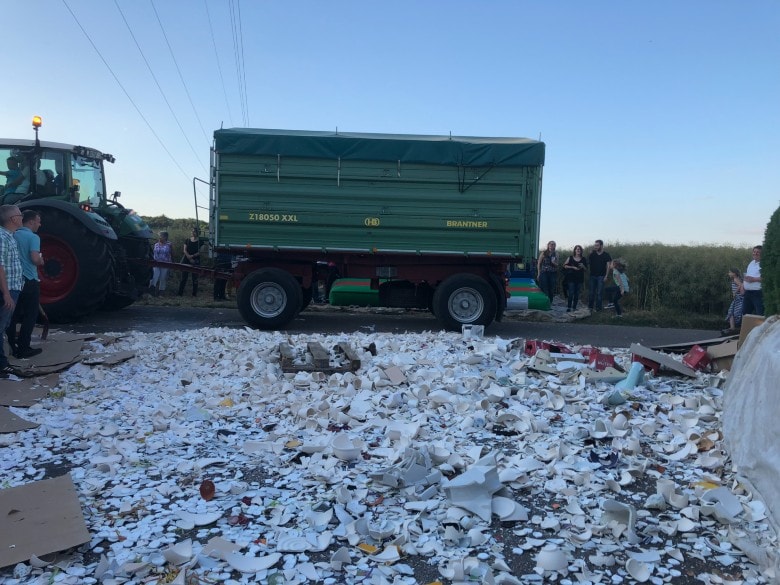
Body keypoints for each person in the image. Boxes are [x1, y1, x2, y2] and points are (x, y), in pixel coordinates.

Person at [6, 210, 44, 359]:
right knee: (30, 315)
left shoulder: (12, 235)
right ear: (31, 222)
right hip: (29, 280)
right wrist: (41, 260)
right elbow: (34, 258)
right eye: (38, 221)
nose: (40, 225)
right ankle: (23, 348)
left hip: (14, 280)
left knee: (13, 315)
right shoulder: (33, 237)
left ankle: (10, 345)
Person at [0, 205, 24, 377]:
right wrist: (7, 293)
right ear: (13, 219)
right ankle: (2, 366)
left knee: (4, 326)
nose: (22, 218)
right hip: (6, 290)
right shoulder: (2, 237)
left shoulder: (10, 236)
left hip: (12, 288)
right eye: (20, 215)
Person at [587, 239, 612, 312]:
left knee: (599, 293)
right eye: (595, 245)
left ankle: (598, 308)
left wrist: (606, 276)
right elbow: (587, 262)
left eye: (597, 245)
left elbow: (608, 266)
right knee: (591, 292)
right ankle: (590, 307)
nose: (595, 247)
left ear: (601, 246)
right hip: (592, 276)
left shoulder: (606, 255)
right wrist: (589, 254)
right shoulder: (593, 254)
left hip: (601, 276)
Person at [563, 245, 587, 312]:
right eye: (577, 249)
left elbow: (586, 270)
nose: (578, 250)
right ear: (575, 250)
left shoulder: (583, 259)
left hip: (579, 278)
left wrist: (583, 266)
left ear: (581, 251)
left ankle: (574, 307)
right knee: (571, 293)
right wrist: (572, 267)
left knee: (577, 293)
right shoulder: (570, 258)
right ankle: (569, 307)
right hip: (571, 278)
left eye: (579, 249)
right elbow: (564, 266)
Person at [178, 228, 201, 297]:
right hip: (186, 259)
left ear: (198, 233)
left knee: (195, 278)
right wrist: (189, 257)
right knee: (183, 278)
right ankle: (180, 293)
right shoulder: (187, 240)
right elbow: (184, 250)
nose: (193, 232)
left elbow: (200, 252)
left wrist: (192, 256)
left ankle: (194, 294)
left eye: (194, 231)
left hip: (195, 260)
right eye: (192, 231)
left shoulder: (200, 241)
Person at [149, 231, 173, 296]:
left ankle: (161, 293)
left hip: (165, 263)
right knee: (154, 277)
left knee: (163, 278)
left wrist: (171, 264)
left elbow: (171, 254)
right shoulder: (156, 244)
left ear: (165, 237)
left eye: (161, 236)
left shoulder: (169, 244)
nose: (159, 238)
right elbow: (153, 254)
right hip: (156, 263)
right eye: (159, 236)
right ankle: (151, 292)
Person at [742, 245, 763, 316]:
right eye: (754, 251)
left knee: (760, 314)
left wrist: (753, 279)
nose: (755, 253)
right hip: (747, 293)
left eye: (758, 252)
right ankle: (747, 327)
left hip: (758, 293)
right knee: (745, 313)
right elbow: (747, 275)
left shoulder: (764, 264)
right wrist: (743, 286)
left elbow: (767, 278)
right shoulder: (751, 263)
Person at [723, 268, 744, 335]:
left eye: (730, 272)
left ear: (734, 273)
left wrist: (735, 292)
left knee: (734, 313)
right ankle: (732, 327)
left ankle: (734, 328)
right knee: (731, 312)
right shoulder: (737, 279)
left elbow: (740, 285)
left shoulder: (735, 279)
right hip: (737, 299)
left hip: (739, 299)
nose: (729, 274)